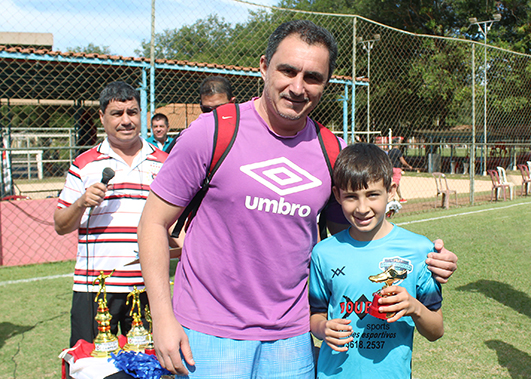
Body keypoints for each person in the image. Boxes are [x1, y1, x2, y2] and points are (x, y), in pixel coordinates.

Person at [137, 20, 457, 378]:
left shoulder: (330, 150)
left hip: (292, 338)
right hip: (210, 333)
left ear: (326, 83)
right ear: (263, 66)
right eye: (287, 70)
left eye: (313, 77)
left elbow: (357, 241)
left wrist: (422, 259)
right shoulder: (214, 131)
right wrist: (162, 318)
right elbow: (153, 222)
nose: (297, 87)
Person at [309, 143, 444, 379]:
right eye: (351, 197)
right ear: (338, 195)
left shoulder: (419, 249)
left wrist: (414, 307)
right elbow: (316, 315)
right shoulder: (324, 252)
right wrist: (323, 328)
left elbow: (436, 330)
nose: (362, 208)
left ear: (391, 190)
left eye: (372, 195)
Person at [54, 81, 168, 347]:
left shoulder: (164, 162)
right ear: (102, 117)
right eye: (117, 113)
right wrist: (82, 202)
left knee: (150, 368)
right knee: (88, 367)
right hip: (95, 288)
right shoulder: (84, 164)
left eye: (133, 112)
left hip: (147, 286)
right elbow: (60, 225)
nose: (126, 120)